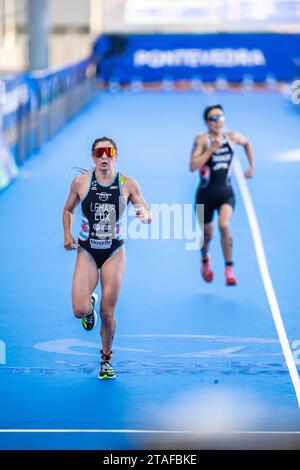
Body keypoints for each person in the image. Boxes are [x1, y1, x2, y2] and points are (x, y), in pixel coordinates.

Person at [63, 136, 152, 379]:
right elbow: (68, 209)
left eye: (108, 152)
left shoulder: (127, 183)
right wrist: (67, 234)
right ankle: (87, 306)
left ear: (116, 156)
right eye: (99, 153)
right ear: (93, 157)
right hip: (87, 250)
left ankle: (105, 359)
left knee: (108, 312)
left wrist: (144, 214)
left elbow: (142, 205)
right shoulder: (81, 183)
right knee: (79, 310)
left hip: (114, 251)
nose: (104, 157)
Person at [190, 104, 254, 285]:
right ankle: (205, 260)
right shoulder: (202, 140)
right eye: (213, 118)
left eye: (220, 117)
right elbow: (192, 166)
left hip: (226, 194)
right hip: (205, 197)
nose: (218, 121)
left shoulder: (232, 137)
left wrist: (251, 166)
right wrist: (211, 150)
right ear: (206, 123)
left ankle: (229, 269)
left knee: (224, 225)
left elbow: (247, 143)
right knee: (207, 235)